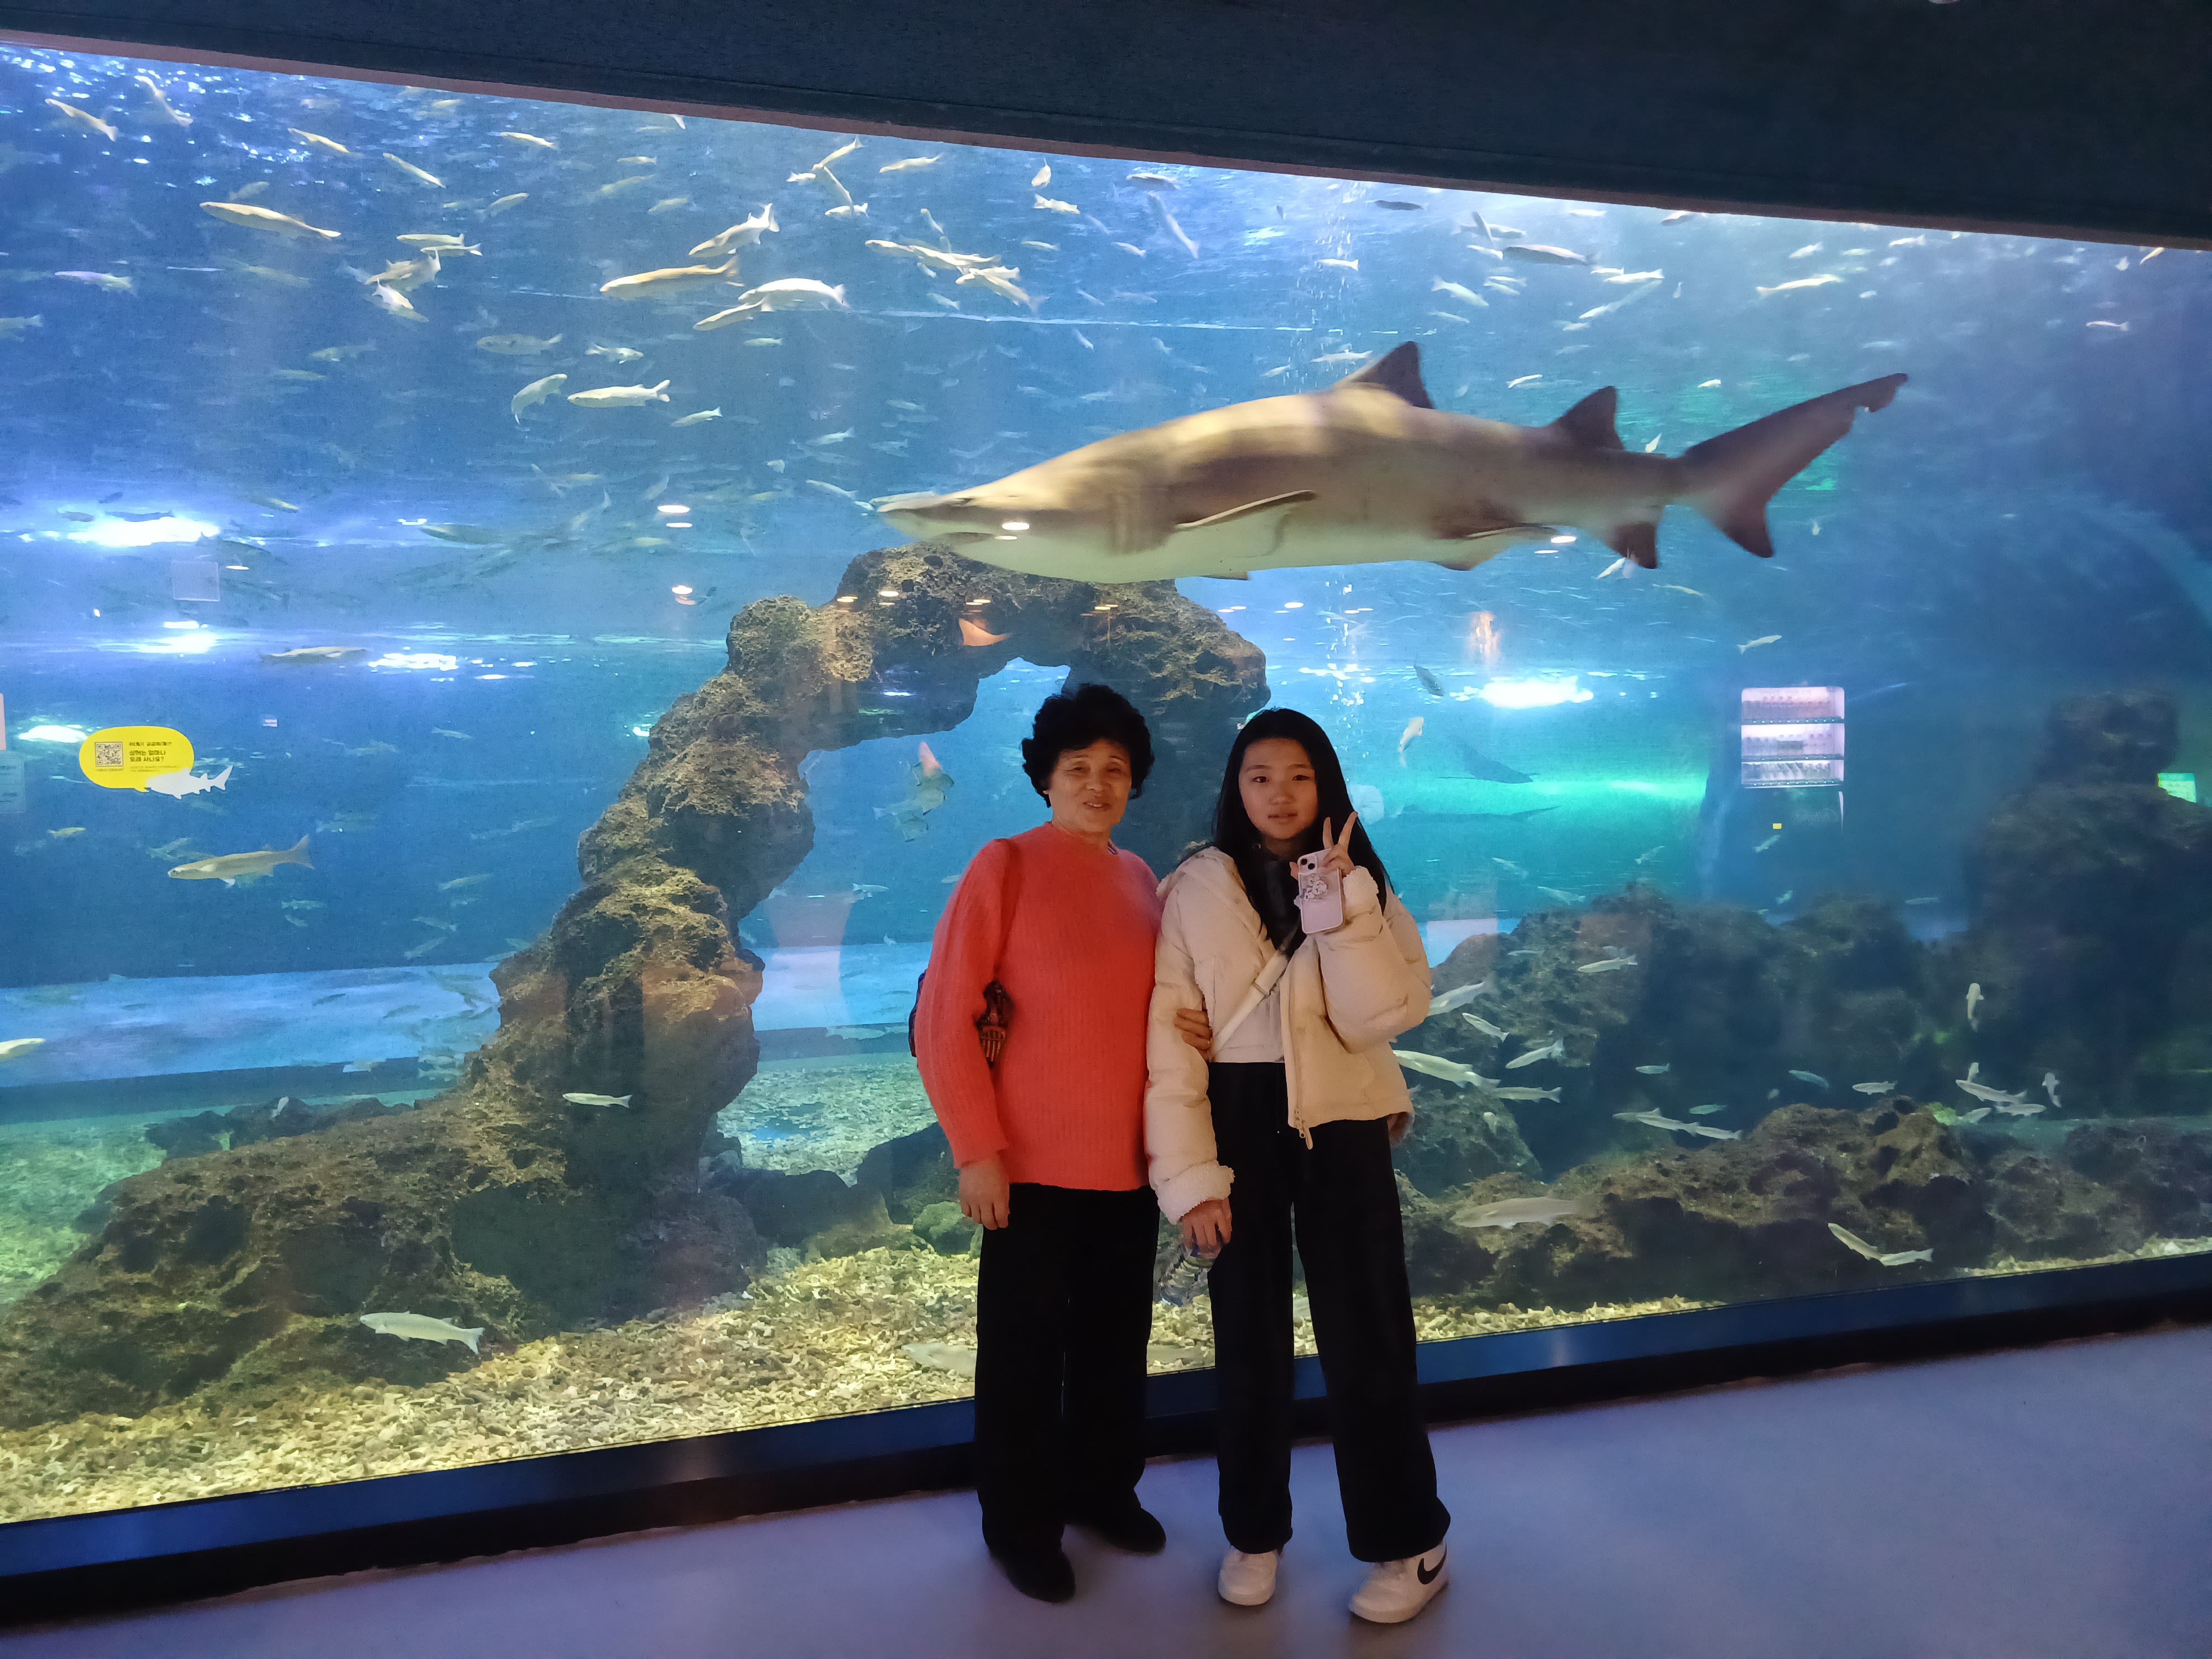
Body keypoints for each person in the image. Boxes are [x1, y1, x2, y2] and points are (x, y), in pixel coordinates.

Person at [1145, 706, 1452, 1625]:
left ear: (1327, 786)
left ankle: (1410, 1541)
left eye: (1299, 777)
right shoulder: (1194, 887)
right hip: (1238, 1117)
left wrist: (1342, 907)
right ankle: (1253, 1533)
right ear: (1234, 788)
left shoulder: (1364, 882)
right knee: (1246, 1340)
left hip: (1344, 1116)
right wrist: (1191, 1178)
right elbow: (1169, 1044)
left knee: (1369, 1334)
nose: (1279, 795)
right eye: (1259, 777)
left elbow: (1383, 1016)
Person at [915, 682, 1210, 1604]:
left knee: (1115, 1346)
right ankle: (1020, 1525)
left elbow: (1153, 1008)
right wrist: (976, 1149)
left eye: (1115, 769)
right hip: (1030, 1171)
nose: (1097, 784)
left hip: (1128, 1168)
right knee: (1023, 1360)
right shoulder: (1004, 866)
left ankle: (1103, 1490)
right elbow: (943, 1016)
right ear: (1045, 777)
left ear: (1135, 782)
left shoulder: (1140, 880)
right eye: (1077, 767)